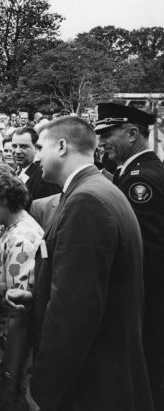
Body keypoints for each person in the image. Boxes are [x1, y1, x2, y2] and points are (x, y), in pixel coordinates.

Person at [26, 116, 153, 410]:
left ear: (60, 146)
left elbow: (74, 311)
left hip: (92, 383)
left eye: (40, 146)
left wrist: (43, 388)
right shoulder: (96, 190)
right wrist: (35, 299)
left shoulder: (86, 202)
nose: (37, 155)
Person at [95, 102, 164, 409]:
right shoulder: (137, 171)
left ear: (133, 133)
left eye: (109, 133)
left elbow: (147, 251)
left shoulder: (141, 179)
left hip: (148, 299)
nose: (101, 141)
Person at [0, 162, 43, 410]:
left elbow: (20, 319)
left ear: (1, 197)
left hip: (16, 361)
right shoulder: (5, 229)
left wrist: (9, 379)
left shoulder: (21, 239)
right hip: (1, 352)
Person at [11, 127, 61, 201]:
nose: (17, 151)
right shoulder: (15, 169)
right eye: (14, 146)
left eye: (23, 146)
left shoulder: (45, 175)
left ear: (36, 148)